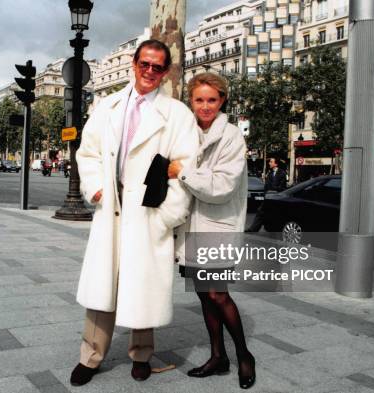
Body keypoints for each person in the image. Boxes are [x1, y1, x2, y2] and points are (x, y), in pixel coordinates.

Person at [71, 39, 199, 386]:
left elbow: (185, 168)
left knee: (143, 285)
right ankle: (90, 356)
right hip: (111, 208)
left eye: (158, 67)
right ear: (134, 62)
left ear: (166, 71)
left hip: (148, 213)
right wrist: (95, 188)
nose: (150, 72)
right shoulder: (108, 106)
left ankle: (141, 355)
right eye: (145, 64)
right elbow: (89, 153)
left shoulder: (177, 114)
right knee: (102, 287)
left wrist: (166, 216)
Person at [168, 72, 256, 389]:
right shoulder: (187, 133)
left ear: (222, 102)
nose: (205, 106)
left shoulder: (232, 136)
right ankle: (218, 356)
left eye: (212, 100)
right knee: (205, 296)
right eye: (199, 100)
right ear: (190, 102)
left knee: (218, 294)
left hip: (217, 228)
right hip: (191, 226)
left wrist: (182, 172)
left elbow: (220, 187)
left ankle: (244, 355)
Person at [245, 157, 287, 232]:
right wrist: (266, 194)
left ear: (276, 164)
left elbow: (282, 187)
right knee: (260, 211)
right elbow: (266, 186)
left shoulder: (282, 173)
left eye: (271, 162)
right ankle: (253, 229)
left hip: (277, 198)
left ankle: (273, 229)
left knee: (274, 214)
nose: (269, 163)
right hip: (268, 197)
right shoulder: (270, 173)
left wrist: (273, 189)